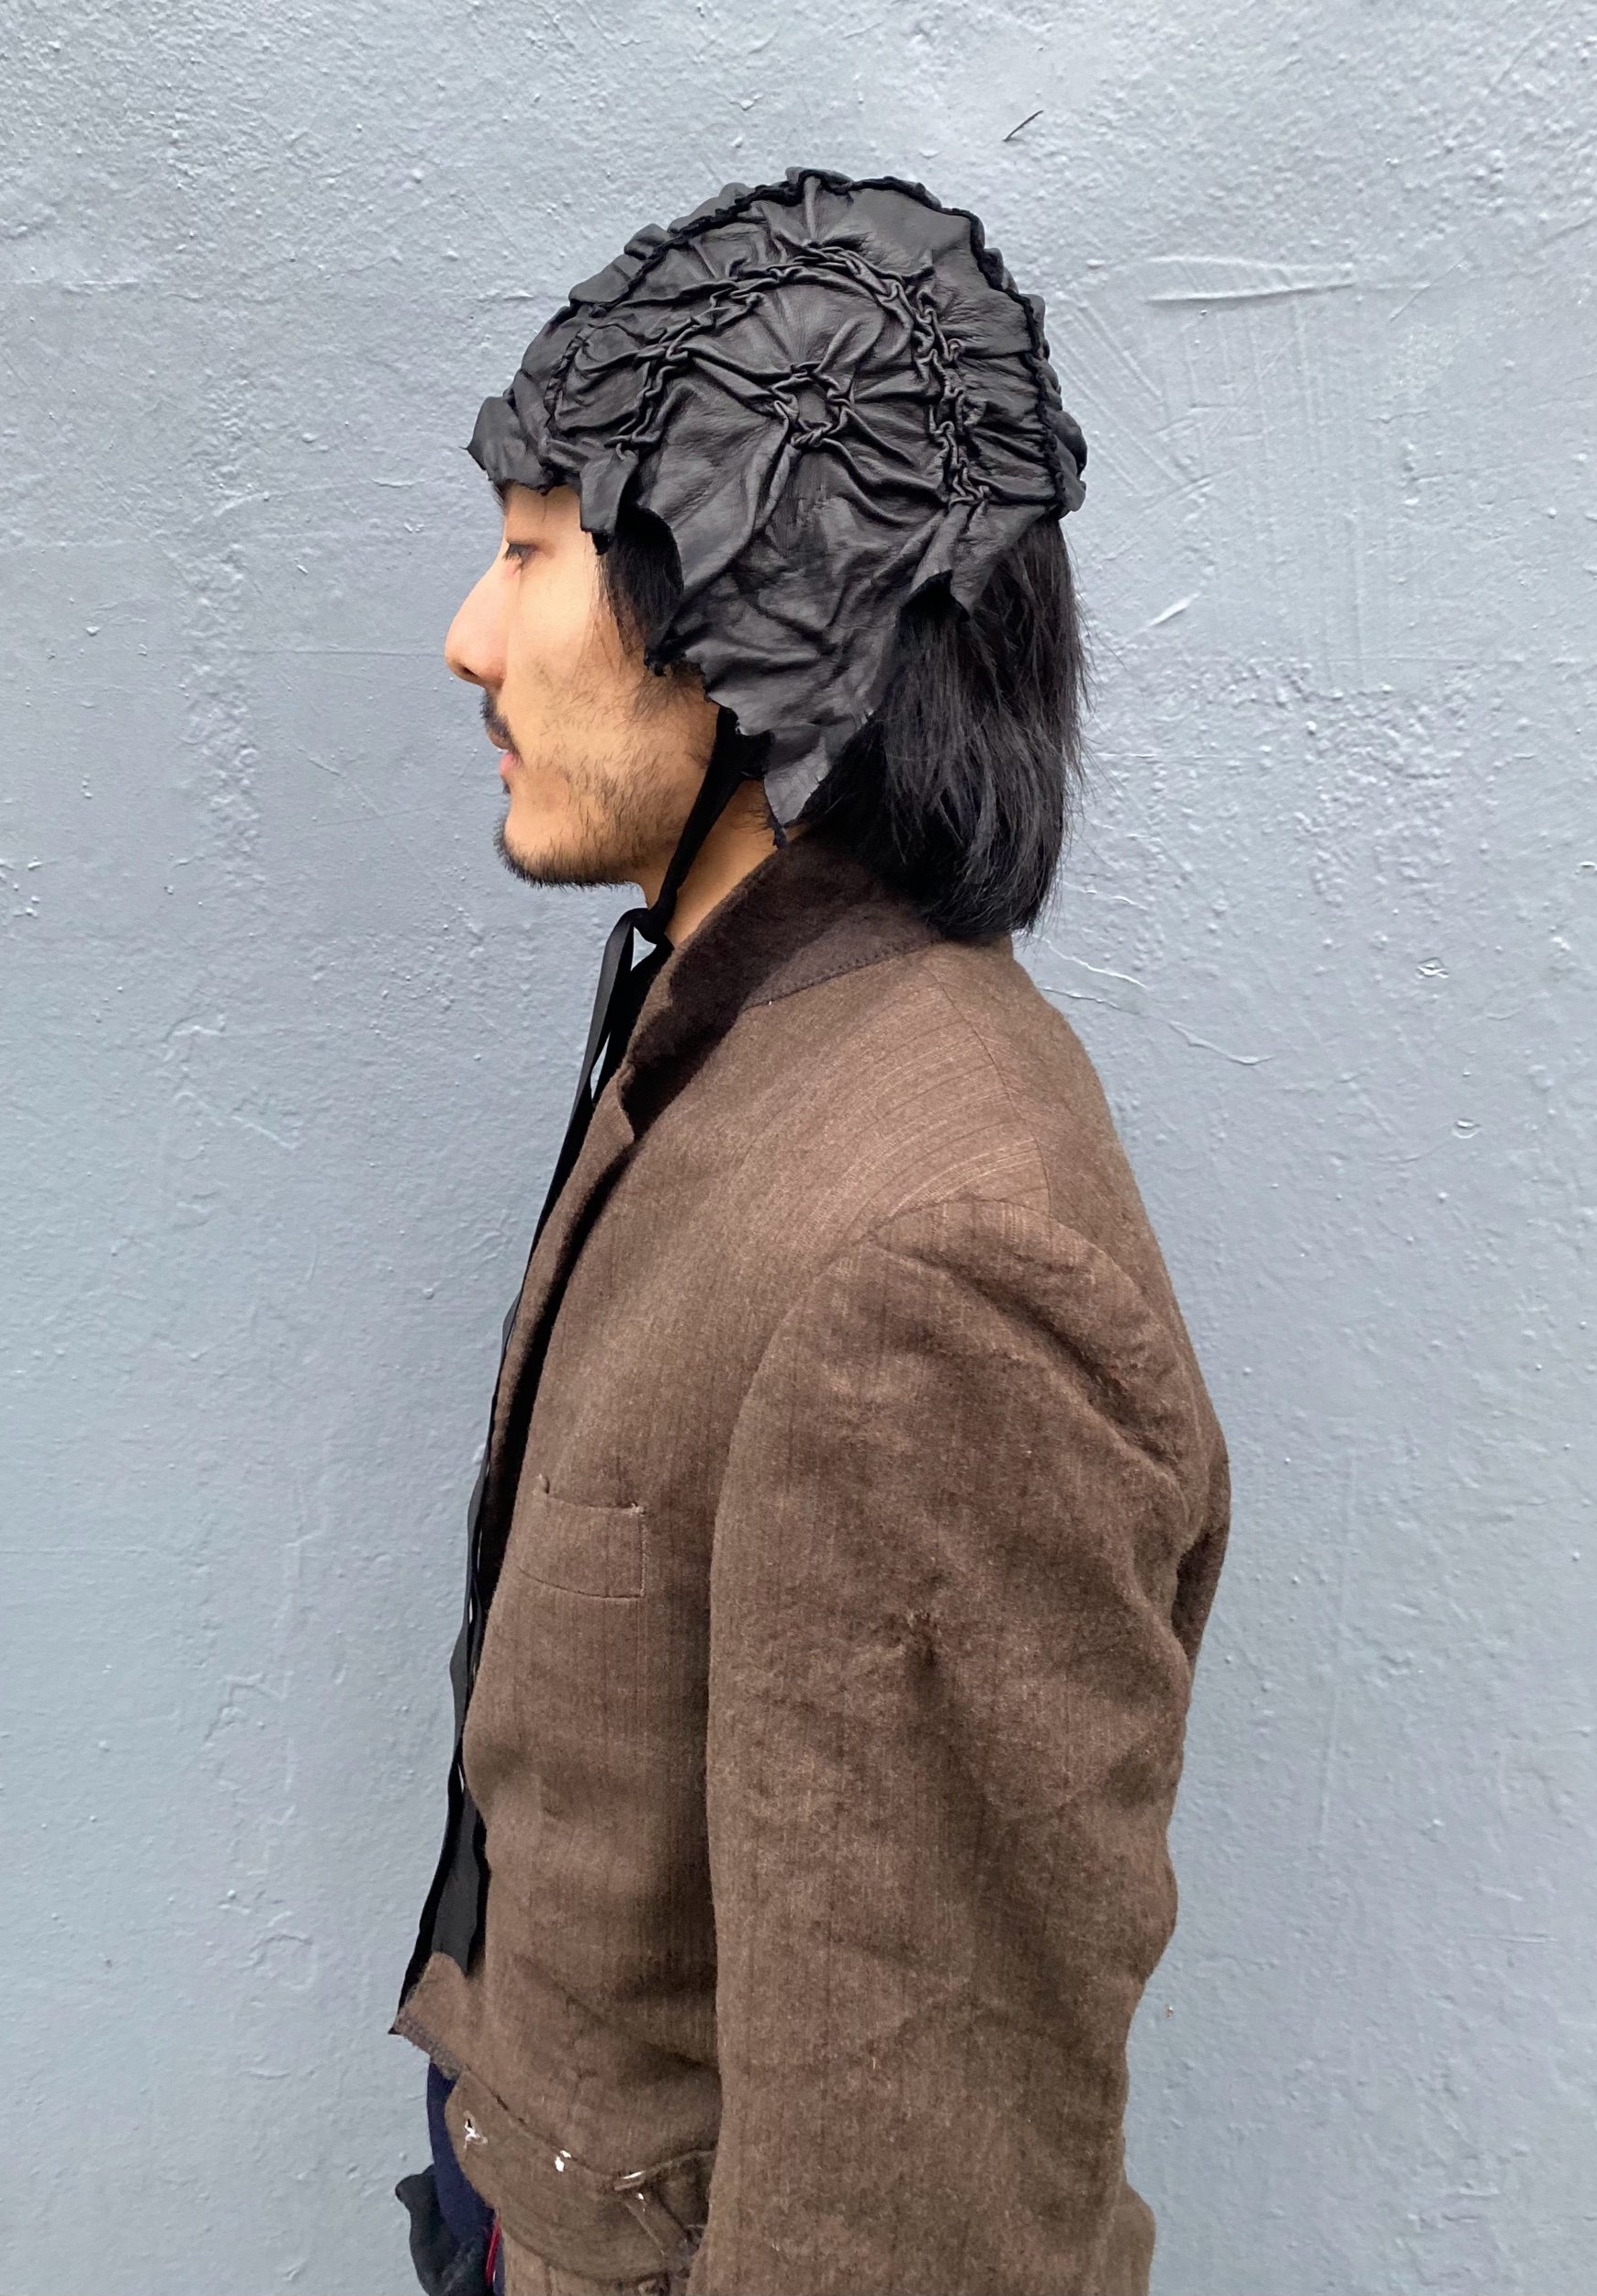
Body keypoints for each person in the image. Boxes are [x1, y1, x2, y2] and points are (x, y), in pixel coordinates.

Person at [389, 167, 1231, 2296]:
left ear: (767, 608)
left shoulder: (929, 1266)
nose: (471, 636)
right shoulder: (747, 1030)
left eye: (530, 552)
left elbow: (915, 2209)